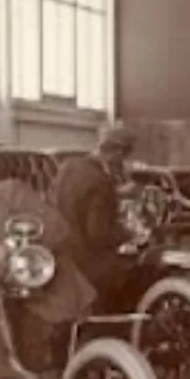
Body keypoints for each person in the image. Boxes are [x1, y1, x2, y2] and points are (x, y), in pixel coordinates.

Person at [52, 125, 135, 307]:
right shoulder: (100, 184)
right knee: (138, 274)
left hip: (61, 262)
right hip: (90, 269)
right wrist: (129, 234)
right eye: (124, 156)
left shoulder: (67, 168)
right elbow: (98, 235)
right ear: (118, 152)